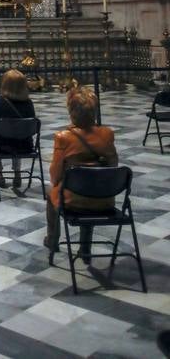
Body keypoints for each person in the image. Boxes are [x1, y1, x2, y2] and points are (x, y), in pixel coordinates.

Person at [45, 86, 118, 259]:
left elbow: (55, 175)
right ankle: (85, 247)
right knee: (91, 185)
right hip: (104, 199)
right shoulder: (107, 134)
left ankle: (53, 240)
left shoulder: (63, 137)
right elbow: (114, 164)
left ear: (71, 111)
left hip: (73, 200)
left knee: (51, 195)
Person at [0, 69, 36, 190]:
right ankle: (17, 172)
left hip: (2, 146)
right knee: (19, 135)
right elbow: (32, 124)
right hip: (26, 146)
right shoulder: (28, 103)